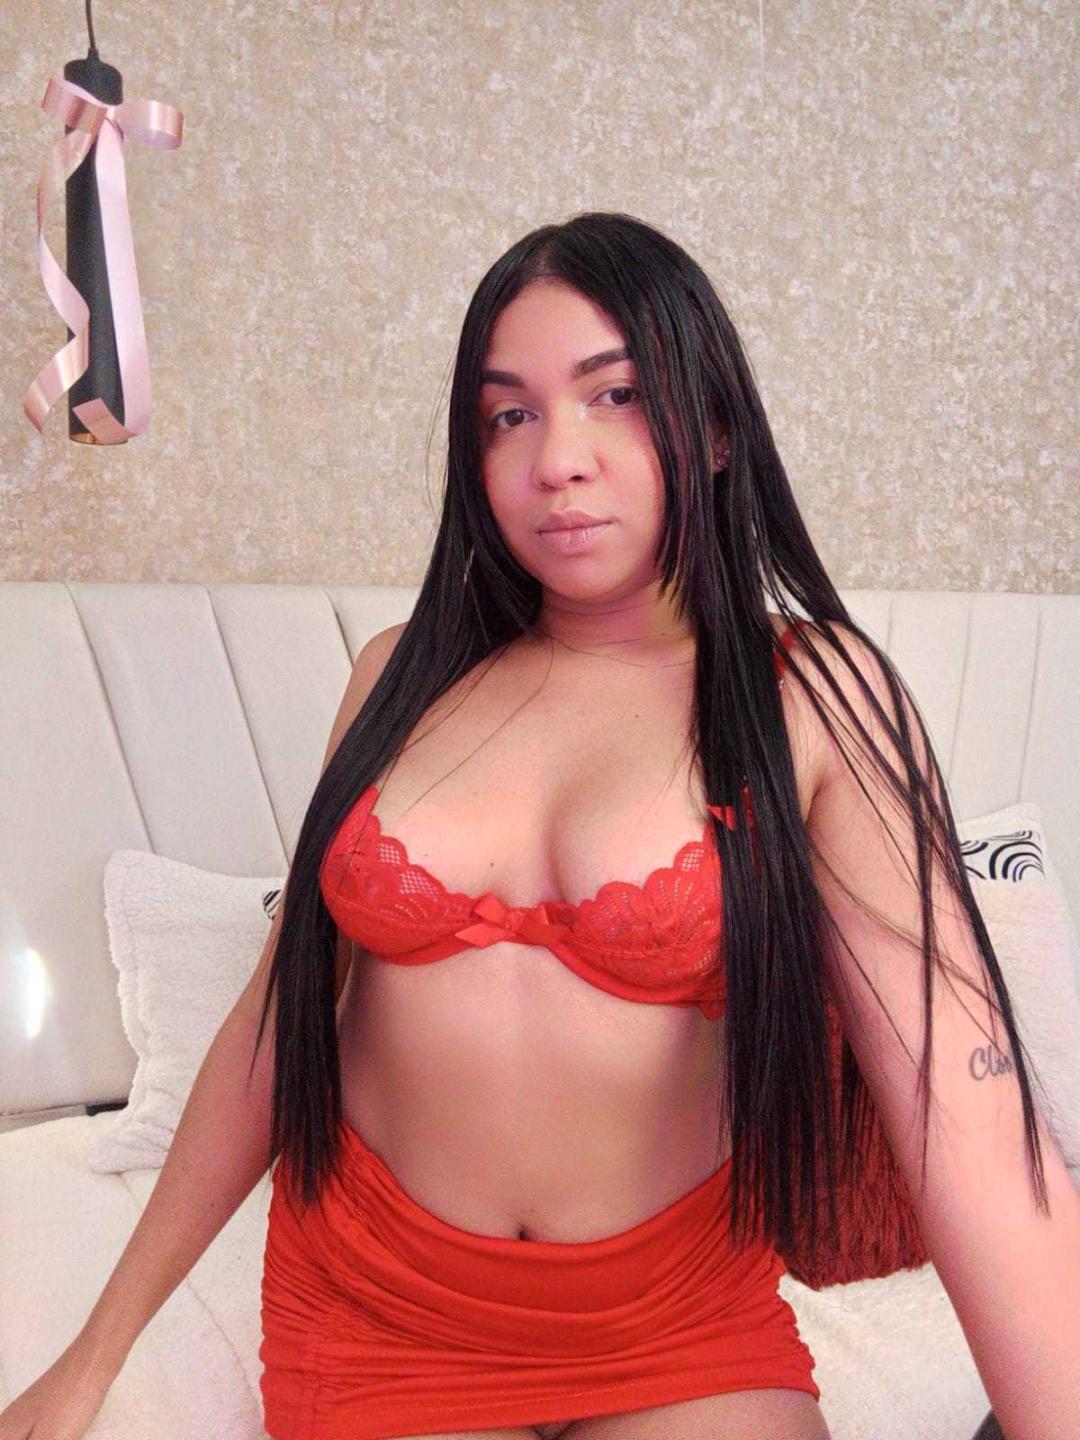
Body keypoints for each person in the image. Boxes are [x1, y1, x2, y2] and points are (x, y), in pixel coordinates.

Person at [4, 211, 1077, 1440]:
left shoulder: (815, 697)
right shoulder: (399, 677)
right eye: (509, 415)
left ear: (715, 427)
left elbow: (965, 1115)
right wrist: (94, 1354)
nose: (557, 459)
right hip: (379, 1313)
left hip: (675, 1320)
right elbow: (275, 1023)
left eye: (616, 396)